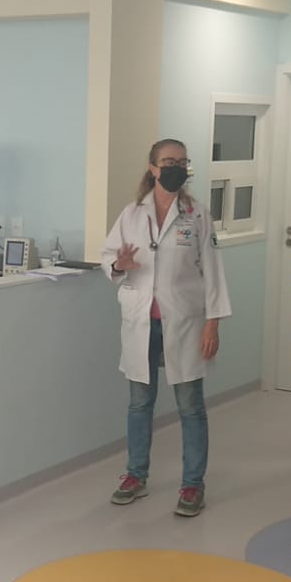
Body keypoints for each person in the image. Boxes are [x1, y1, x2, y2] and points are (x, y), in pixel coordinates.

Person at [103, 138, 232, 518]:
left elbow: (213, 272)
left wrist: (213, 324)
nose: (175, 167)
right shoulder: (132, 214)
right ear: (153, 168)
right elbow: (109, 258)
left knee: (190, 406)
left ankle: (193, 484)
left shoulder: (197, 214)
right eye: (168, 161)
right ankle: (135, 476)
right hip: (141, 320)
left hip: (186, 321)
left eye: (182, 162)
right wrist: (120, 265)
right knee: (139, 403)